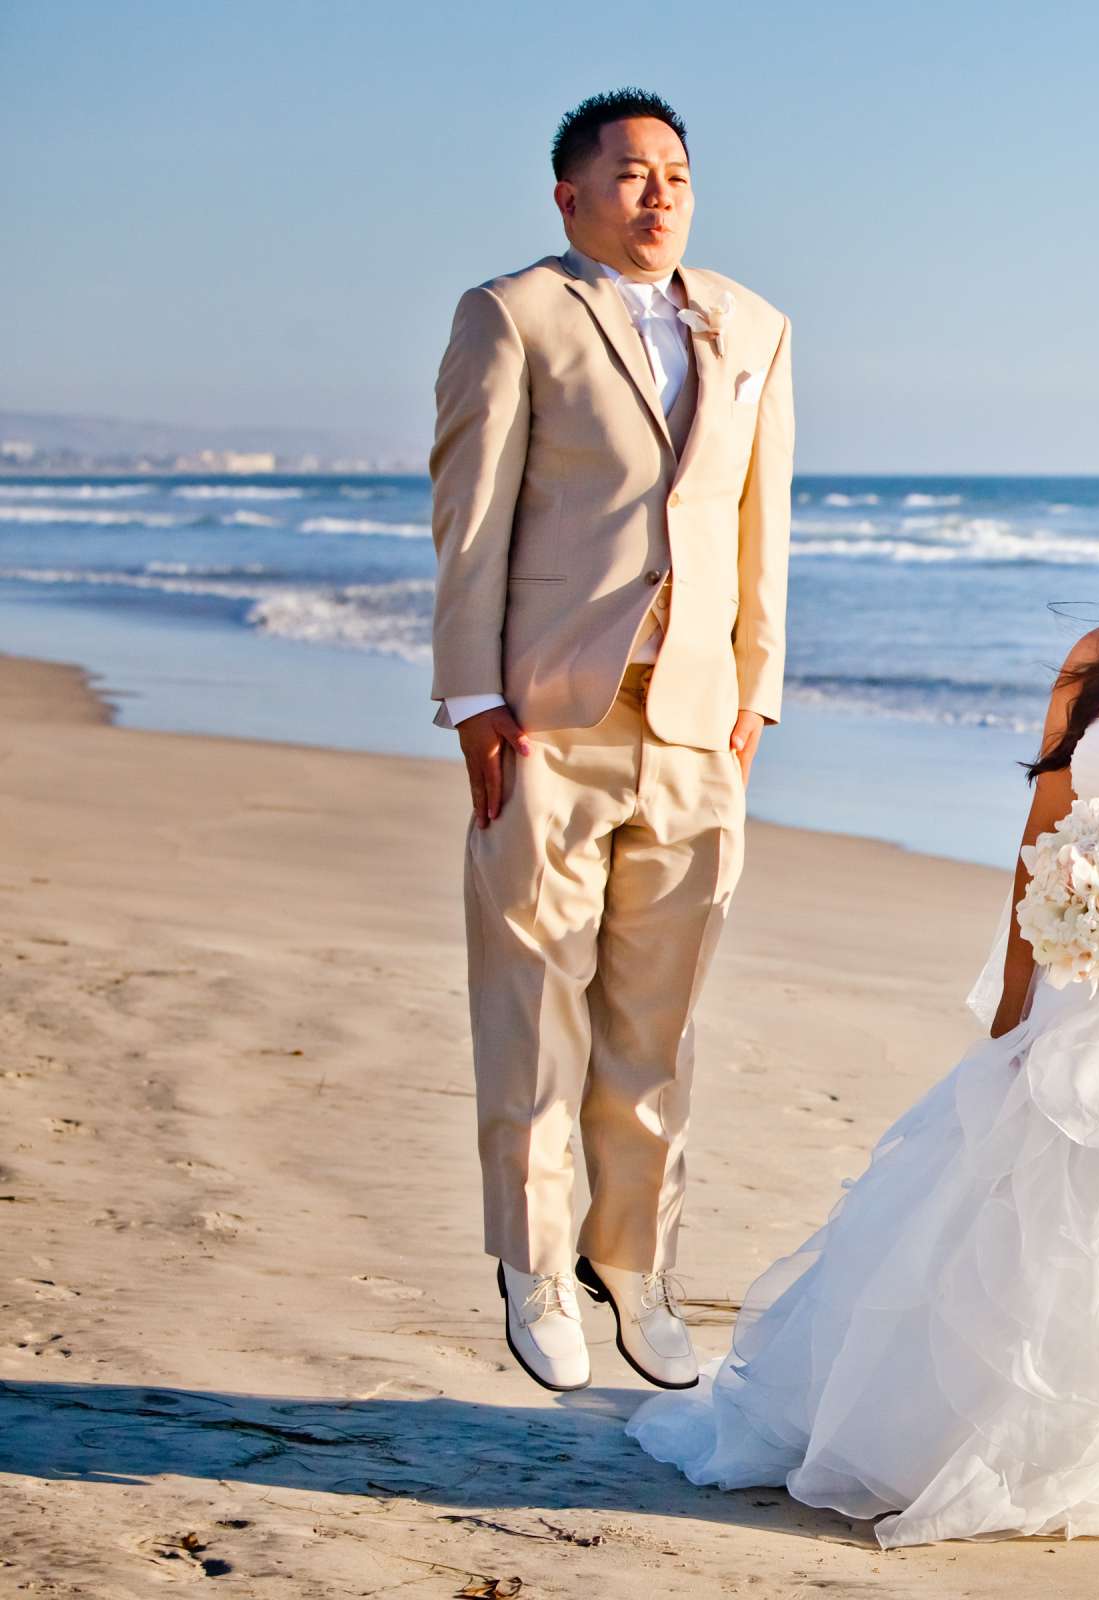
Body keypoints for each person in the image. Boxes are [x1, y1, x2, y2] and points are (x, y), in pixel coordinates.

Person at [627, 470, 1099, 1546]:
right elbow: (1043, 845)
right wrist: (1015, 1016)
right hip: (1088, 980)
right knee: (1015, 1204)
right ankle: (947, 1437)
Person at [426, 87, 794, 1393]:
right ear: (570, 194)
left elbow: (765, 524)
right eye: (632, 173)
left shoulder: (754, 325)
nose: (660, 193)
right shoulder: (515, 313)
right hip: (547, 723)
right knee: (531, 1007)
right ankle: (531, 1261)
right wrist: (473, 697)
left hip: (698, 729)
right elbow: (470, 516)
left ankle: (630, 1262)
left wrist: (761, 692)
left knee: (658, 1021)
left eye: (678, 173)